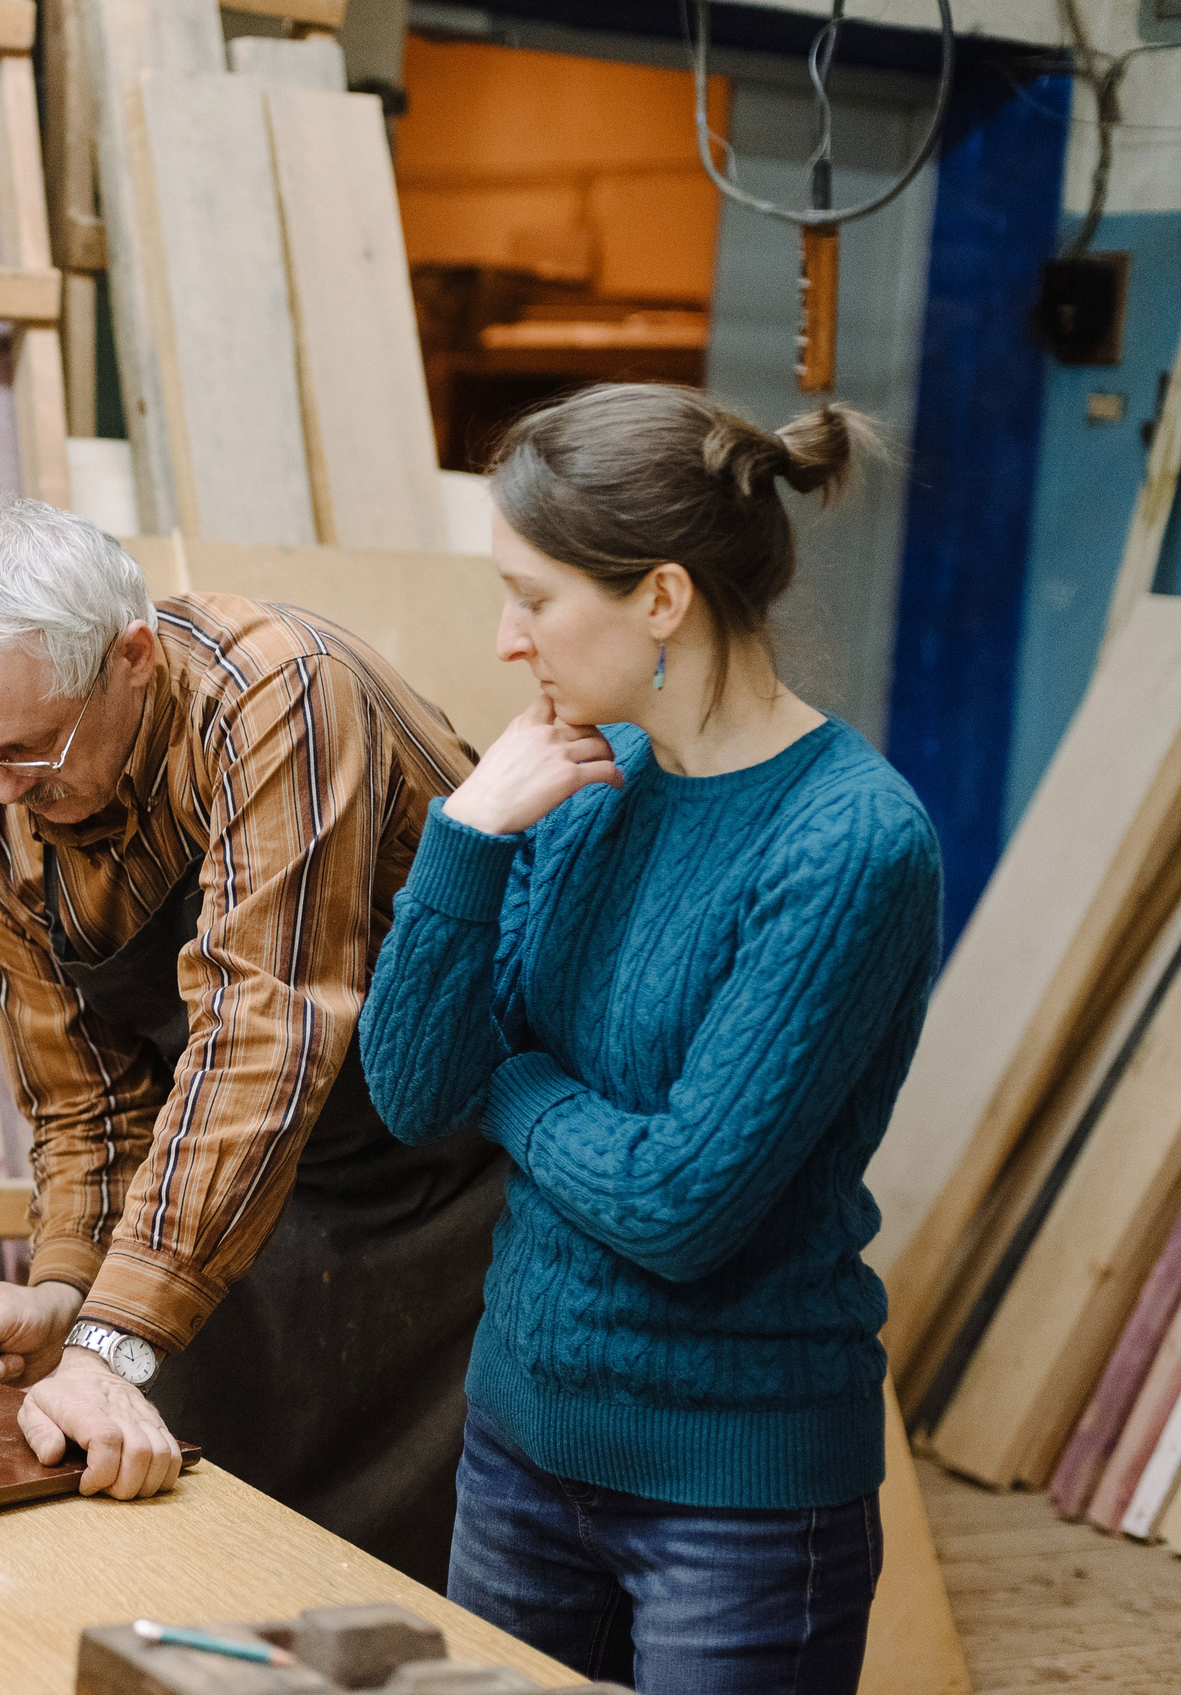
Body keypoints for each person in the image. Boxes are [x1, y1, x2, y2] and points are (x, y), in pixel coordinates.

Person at [356, 385, 943, 1694]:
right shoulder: (581, 781)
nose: (507, 641)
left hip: (735, 1497)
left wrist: (511, 1081)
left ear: (662, 597)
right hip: (517, 1446)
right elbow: (408, 1089)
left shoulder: (848, 842)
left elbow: (682, 1204)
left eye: (536, 598)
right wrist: (468, 840)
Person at [0, 495, 506, 1587]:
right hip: (242, 1205)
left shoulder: (276, 695)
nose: (4, 789)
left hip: (457, 1186)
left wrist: (113, 1338)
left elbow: (259, 1027)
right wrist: (64, 1290)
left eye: (33, 746)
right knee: (224, 1573)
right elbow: (86, 1103)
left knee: (435, 1603)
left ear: (132, 657)